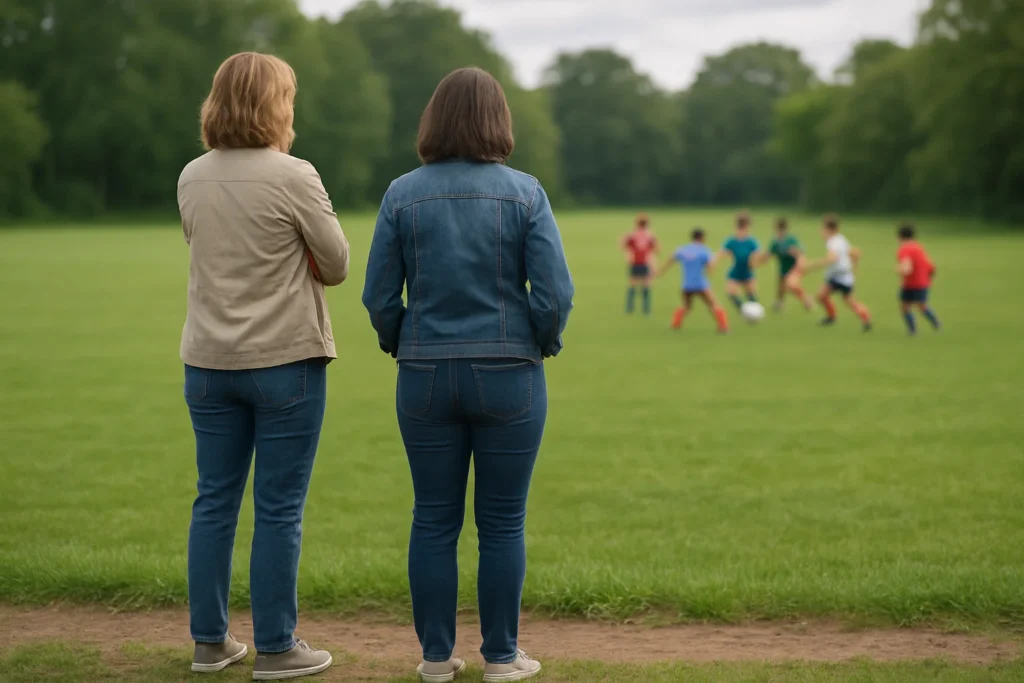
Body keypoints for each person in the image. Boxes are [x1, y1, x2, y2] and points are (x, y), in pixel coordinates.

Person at [362, 67, 573, 683]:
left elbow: (379, 296)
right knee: (503, 520)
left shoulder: (402, 194)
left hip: (424, 373)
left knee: (433, 516)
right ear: (499, 121)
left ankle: (435, 659)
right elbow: (554, 293)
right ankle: (502, 658)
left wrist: (402, 342)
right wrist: (542, 342)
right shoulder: (525, 192)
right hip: (510, 371)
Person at [177, 52, 348, 680]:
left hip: (208, 361)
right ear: (277, 104)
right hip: (286, 362)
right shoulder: (295, 175)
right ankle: (277, 647)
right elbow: (334, 265)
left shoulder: (191, 176)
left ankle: (209, 642)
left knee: (213, 501)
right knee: (278, 507)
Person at [804, 215, 872, 331]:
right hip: (842, 276)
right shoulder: (841, 239)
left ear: (829, 230)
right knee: (825, 296)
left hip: (839, 277)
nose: (821, 232)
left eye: (822, 229)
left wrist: (813, 265)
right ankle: (835, 317)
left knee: (844, 300)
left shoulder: (833, 242)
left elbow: (832, 258)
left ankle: (861, 318)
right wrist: (854, 268)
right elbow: (855, 253)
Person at [656, 228, 728, 333]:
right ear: (702, 238)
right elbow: (710, 268)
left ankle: (675, 324)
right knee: (714, 304)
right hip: (700, 284)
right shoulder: (704, 250)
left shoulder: (682, 250)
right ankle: (723, 327)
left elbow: (670, 260)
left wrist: (660, 272)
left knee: (686, 305)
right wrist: (716, 258)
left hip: (687, 284)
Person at [896, 223, 941, 334]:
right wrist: (929, 279)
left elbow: (907, 268)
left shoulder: (904, 249)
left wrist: (899, 269)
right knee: (921, 306)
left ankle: (913, 330)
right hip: (922, 283)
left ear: (900, 236)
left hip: (911, 284)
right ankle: (936, 323)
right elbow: (931, 266)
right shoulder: (919, 247)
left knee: (906, 307)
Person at [763, 217, 812, 311]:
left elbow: (799, 253)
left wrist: (799, 262)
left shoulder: (791, 240)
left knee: (791, 285)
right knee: (781, 287)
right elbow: (768, 255)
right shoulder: (775, 241)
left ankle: (807, 300)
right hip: (783, 267)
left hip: (793, 267)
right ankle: (779, 303)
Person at [718, 212, 762, 312]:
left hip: (747, 271)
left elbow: (756, 255)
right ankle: (744, 310)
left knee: (751, 295)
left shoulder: (751, 241)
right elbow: (723, 252)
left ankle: (754, 312)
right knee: (731, 292)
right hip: (736, 271)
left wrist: (754, 262)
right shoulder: (733, 240)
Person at [621, 213, 658, 315]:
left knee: (632, 284)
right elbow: (656, 249)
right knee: (646, 285)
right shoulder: (650, 235)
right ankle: (646, 310)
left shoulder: (632, 234)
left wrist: (629, 252)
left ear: (637, 223)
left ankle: (629, 308)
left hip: (634, 262)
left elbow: (622, 244)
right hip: (645, 262)